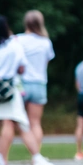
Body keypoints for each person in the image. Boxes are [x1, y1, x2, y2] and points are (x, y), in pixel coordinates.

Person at [0, 15, 55, 165]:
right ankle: (37, 157)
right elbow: (21, 68)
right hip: (9, 90)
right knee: (23, 124)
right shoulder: (13, 47)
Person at [15, 10, 54, 148]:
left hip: (21, 84)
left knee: (11, 121)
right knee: (35, 123)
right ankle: (36, 157)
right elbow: (46, 63)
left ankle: (3, 159)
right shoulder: (46, 42)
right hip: (39, 83)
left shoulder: (17, 39)